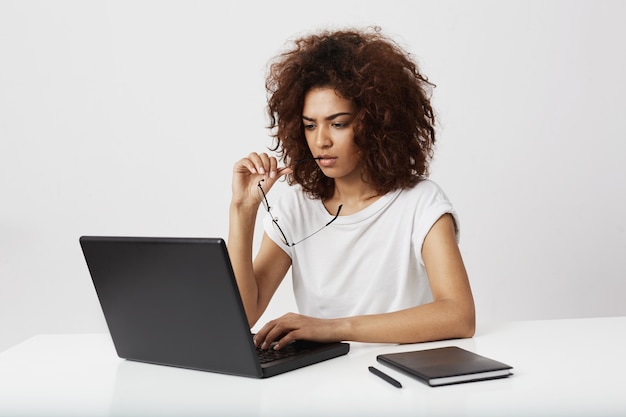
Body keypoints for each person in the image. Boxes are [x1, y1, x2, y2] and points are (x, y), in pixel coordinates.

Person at [228, 26, 475, 351]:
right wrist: (242, 211)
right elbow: (243, 315)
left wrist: (332, 328)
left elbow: (459, 315)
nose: (321, 140)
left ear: (376, 122)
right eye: (310, 125)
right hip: (320, 387)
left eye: (338, 123)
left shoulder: (420, 203)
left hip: (402, 383)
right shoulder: (295, 207)